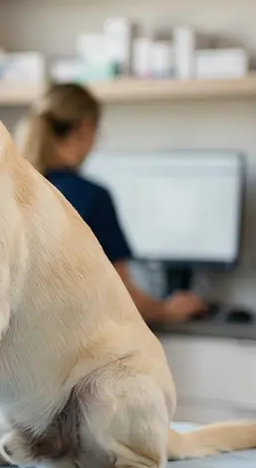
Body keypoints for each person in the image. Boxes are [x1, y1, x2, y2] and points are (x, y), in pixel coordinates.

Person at [15, 82, 208, 324]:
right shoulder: (91, 197)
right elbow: (121, 299)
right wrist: (168, 309)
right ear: (85, 128)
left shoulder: (12, 189)